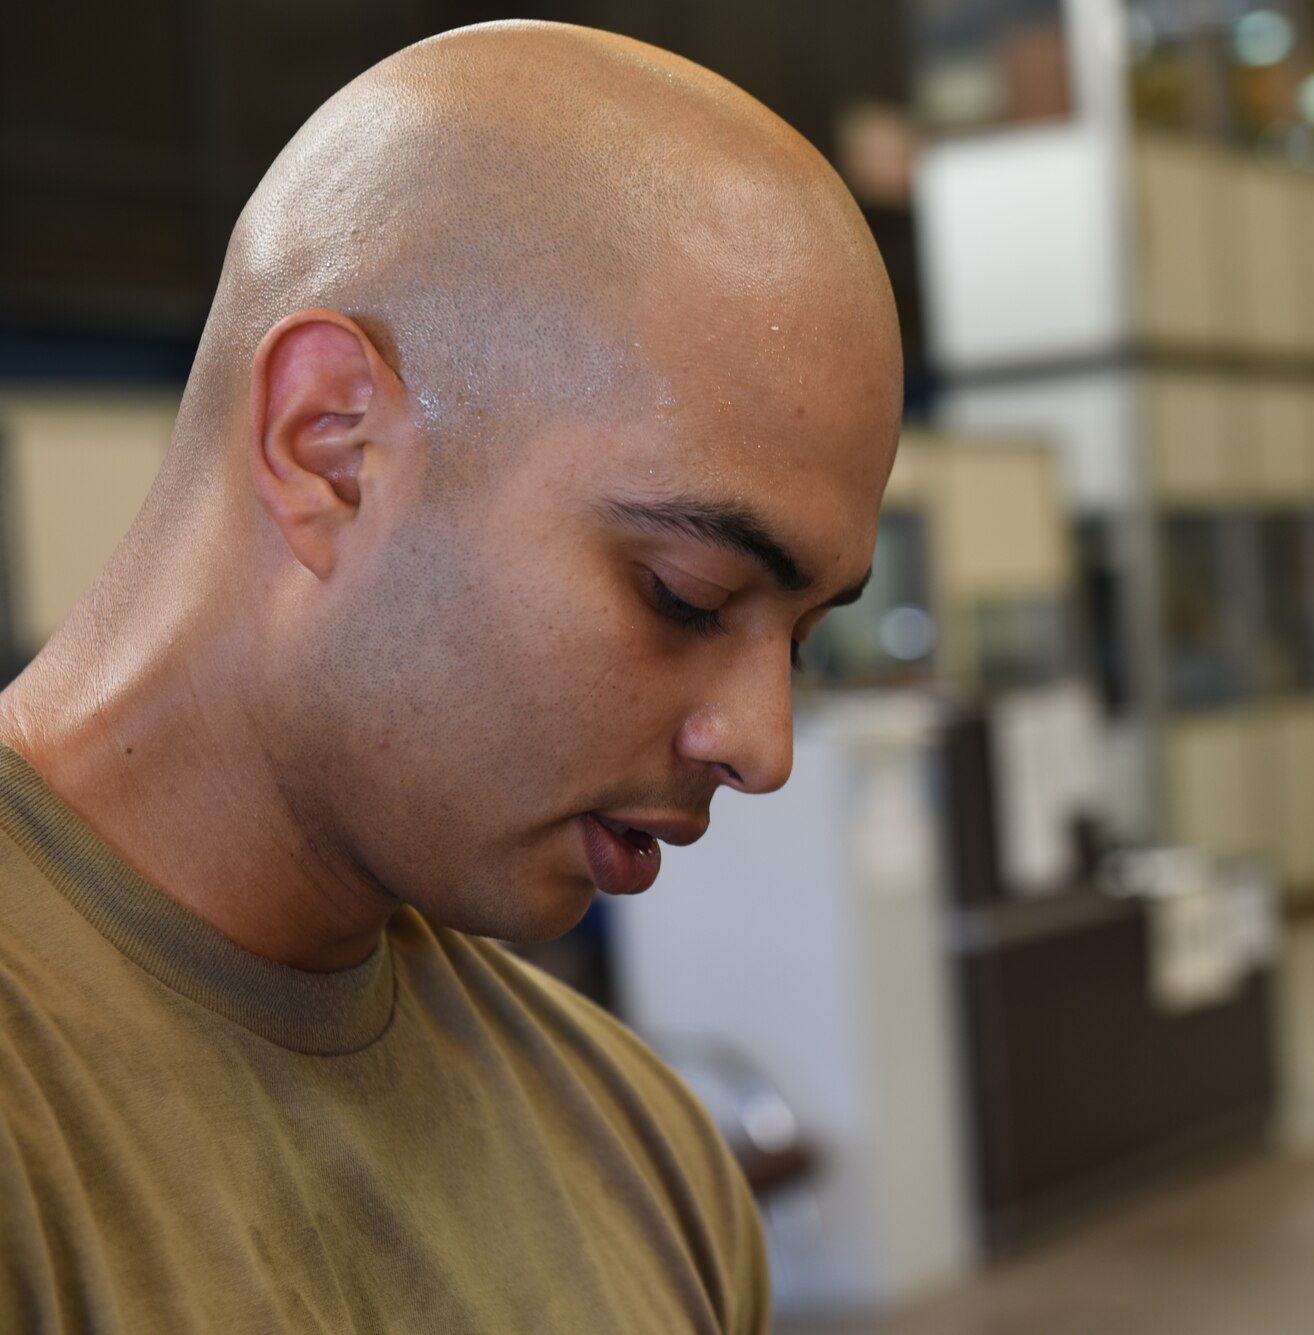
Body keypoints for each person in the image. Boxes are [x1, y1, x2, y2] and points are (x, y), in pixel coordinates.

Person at [0, 19, 901, 1333]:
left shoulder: (642, 1157)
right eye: (686, 595)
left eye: (803, 636)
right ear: (330, 448)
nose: (762, 744)